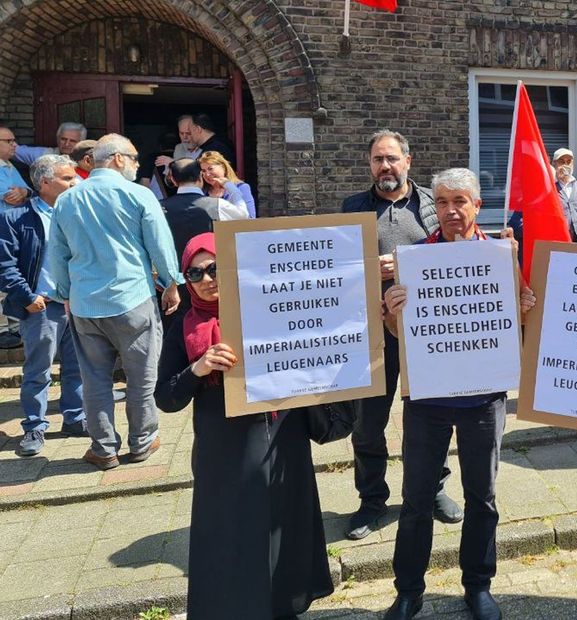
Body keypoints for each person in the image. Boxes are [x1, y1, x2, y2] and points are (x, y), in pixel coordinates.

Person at [380, 168, 536, 620]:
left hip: (484, 400)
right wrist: (392, 312)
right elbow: (398, 334)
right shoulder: (415, 258)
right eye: (443, 202)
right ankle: (408, 590)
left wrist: (525, 306)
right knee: (415, 499)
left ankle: (478, 585)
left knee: (482, 496)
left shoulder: (501, 258)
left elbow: (519, 324)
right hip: (426, 399)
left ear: (476, 205)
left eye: (460, 202)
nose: (451, 210)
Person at [154, 233, 332, 619]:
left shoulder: (269, 309)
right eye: (195, 272)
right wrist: (198, 369)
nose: (206, 278)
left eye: (215, 267)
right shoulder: (183, 327)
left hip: (283, 435)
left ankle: (284, 605)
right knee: (231, 532)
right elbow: (165, 398)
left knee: (285, 521)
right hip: (225, 446)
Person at [340, 129, 459, 541]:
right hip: (373, 332)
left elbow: (454, 255)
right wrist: (371, 268)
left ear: (409, 160)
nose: (384, 166)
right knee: (367, 424)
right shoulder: (352, 208)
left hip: (425, 333)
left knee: (430, 421)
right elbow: (340, 267)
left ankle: (434, 488)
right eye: (377, 159)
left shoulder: (432, 204)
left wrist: (408, 263)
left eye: (392, 158)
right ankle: (372, 499)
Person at [47, 134, 183, 471]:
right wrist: (171, 283)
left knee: (94, 379)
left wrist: (64, 294)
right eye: (135, 158)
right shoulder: (137, 195)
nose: (138, 165)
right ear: (118, 159)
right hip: (132, 298)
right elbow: (160, 245)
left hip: (84, 303)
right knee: (141, 375)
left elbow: (58, 254)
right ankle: (142, 441)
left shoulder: (66, 200)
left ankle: (103, 448)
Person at [0, 155, 85, 457]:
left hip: (77, 304)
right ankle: (34, 425)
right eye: (67, 178)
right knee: (39, 370)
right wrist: (27, 297)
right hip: (42, 306)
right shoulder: (17, 218)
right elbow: (5, 265)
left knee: (77, 367)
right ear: (45, 183)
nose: (75, 182)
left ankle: (75, 418)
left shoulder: (78, 213)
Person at [162, 158, 248, 319]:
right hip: (210, 279)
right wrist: (230, 187)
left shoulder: (159, 207)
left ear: (173, 179)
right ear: (200, 176)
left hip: (173, 283)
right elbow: (244, 217)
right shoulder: (217, 205)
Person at [198, 150, 255, 218]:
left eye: (210, 169)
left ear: (223, 167)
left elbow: (250, 217)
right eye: (203, 171)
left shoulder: (241, 188)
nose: (207, 174)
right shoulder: (202, 192)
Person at [13, 122, 86, 165]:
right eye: (63, 139)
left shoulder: (87, 160)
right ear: (57, 139)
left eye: (72, 141)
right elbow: (12, 149)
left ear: (81, 142)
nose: (67, 144)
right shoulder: (45, 155)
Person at [0, 124, 30, 206]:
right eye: (9, 141)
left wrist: (25, 192)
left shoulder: (8, 164)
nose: (15, 145)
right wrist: (24, 194)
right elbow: (13, 199)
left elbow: (30, 193)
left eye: (14, 140)